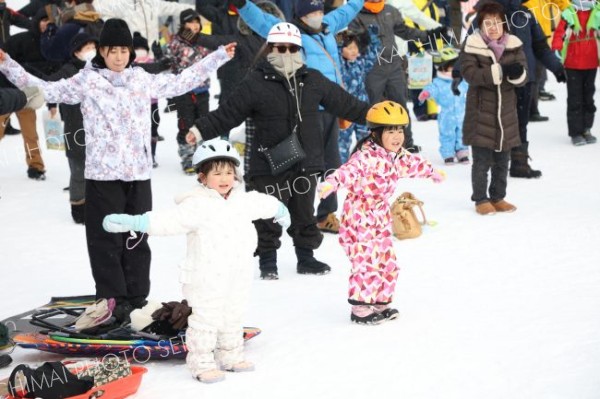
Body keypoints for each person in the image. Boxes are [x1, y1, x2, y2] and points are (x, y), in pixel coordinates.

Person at [0, 18, 235, 321]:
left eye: (123, 50)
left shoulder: (141, 79)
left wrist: (217, 56)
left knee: (137, 237)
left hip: (138, 175)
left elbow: (181, 81)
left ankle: (136, 299)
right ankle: (112, 299)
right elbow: (45, 90)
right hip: (102, 177)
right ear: (102, 51)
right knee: (105, 240)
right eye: (112, 50)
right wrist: (7, 64)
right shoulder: (87, 81)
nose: (119, 56)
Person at [186, 22, 370, 280]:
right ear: (270, 48)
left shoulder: (312, 80)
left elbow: (345, 103)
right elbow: (229, 113)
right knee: (266, 215)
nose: (285, 52)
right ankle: (267, 261)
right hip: (268, 162)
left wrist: (374, 114)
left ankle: (306, 257)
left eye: (291, 48)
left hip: (305, 161)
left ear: (299, 49)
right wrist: (200, 129)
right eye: (279, 48)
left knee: (304, 213)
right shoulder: (256, 82)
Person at [102, 138, 290, 383]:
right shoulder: (197, 205)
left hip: (238, 272)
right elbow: (169, 221)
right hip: (205, 275)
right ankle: (201, 362)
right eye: (217, 173)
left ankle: (230, 356)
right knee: (206, 318)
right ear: (202, 177)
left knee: (233, 314)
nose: (225, 178)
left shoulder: (243, 200)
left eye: (229, 172)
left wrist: (280, 210)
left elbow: (265, 203)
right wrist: (136, 222)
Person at [231, 0, 365, 235]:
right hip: (304, 108)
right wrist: (242, 5)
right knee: (304, 165)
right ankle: (290, 213)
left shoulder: (327, 26)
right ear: (301, 15)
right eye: (312, 11)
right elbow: (261, 20)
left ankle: (325, 213)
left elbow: (347, 10)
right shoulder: (288, 30)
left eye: (319, 10)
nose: (317, 15)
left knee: (332, 163)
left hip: (331, 106)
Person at [318, 101, 445, 325]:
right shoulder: (365, 157)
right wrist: (331, 184)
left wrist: (432, 171)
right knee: (366, 261)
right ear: (376, 133)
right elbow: (347, 172)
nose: (397, 136)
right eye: (390, 130)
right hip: (359, 215)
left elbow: (413, 164)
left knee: (387, 260)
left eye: (399, 130)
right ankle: (360, 307)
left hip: (380, 215)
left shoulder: (396, 155)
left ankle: (380, 301)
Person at [350, 0, 447, 153]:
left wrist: (428, 35)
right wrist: (364, 40)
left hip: (394, 64)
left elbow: (405, 31)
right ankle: (372, 147)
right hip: (372, 67)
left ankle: (406, 144)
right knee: (372, 107)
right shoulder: (356, 13)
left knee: (400, 105)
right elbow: (352, 40)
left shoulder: (390, 10)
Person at [460, 1, 527, 215]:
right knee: (481, 160)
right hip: (481, 111)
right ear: (480, 25)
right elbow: (470, 74)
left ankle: (498, 196)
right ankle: (481, 199)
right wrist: (499, 71)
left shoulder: (514, 44)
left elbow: (523, 73)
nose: (493, 27)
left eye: (497, 22)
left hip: (506, 112)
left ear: (504, 24)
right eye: (487, 23)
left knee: (502, 160)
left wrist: (517, 74)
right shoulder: (473, 44)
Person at [45, 33, 99, 224]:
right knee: (78, 171)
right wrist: (51, 104)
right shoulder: (69, 70)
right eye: (87, 48)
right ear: (77, 52)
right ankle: (78, 208)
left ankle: (95, 205)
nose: (92, 50)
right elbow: (50, 84)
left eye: (94, 46)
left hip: (97, 130)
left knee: (96, 170)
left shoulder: (98, 69)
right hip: (75, 127)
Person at [165, 9, 213, 174]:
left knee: (203, 124)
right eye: (191, 22)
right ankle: (187, 157)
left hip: (202, 90)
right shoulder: (176, 42)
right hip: (184, 92)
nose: (195, 25)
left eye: (196, 21)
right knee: (186, 124)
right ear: (183, 24)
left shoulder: (204, 40)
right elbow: (167, 64)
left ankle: (202, 156)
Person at [551, 0, 599, 146]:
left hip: (591, 61)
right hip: (572, 62)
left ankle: (586, 129)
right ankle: (575, 132)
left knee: (588, 97)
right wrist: (557, 47)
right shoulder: (569, 13)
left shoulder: (597, 12)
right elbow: (559, 33)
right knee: (575, 98)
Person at [418, 47, 470, 164]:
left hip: (462, 114)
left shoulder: (461, 81)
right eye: (449, 69)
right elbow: (431, 88)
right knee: (447, 134)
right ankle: (448, 153)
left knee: (462, 133)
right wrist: (426, 93)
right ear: (442, 68)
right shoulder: (438, 82)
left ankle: (462, 152)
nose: (452, 72)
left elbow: (470, 85)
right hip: (447, 115)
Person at [336, 26, 381, 164]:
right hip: (345, 110)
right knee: (342, 143)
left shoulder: (361, 63)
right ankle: (341, 171)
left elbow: (374, 53)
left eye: (355, 47)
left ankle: (365, 167)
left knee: (366, 140)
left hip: (362, 108)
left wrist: (373, 38)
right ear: (341, 49)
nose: (354, 51)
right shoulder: (338, 64)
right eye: (349, 48)